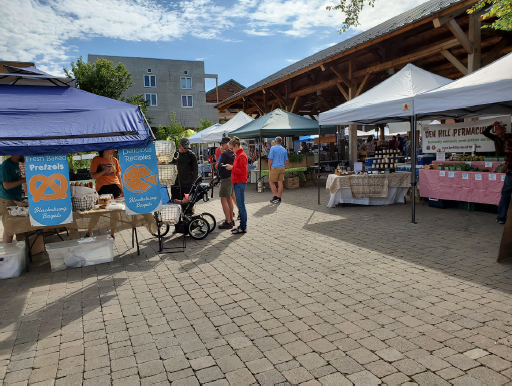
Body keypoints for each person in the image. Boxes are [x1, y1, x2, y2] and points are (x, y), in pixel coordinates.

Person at [87, 150, 123, 238]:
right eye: (111, 148)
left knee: (115, 213)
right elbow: (93, 176)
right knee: (98, 212)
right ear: (105, 149)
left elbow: (118, 176)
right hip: (103, 188)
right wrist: (105, 171)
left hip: (115, 187)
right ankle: (89, 232)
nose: (114, 150)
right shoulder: (97, 160)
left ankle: (112, 234)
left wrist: (122, 189)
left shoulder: (115, 160)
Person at [489, 121, 512, 224]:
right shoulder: (505, 139)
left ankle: (501, 218)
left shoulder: (509, 140)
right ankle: (502, 217)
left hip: (510, 171)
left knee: (506, 194)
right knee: (506, 194)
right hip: (510, 172)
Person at [225, 137, 248, 234]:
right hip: (238, 182)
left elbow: (243, 171)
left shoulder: (241, 155)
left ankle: (243, 227)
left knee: (241, 206)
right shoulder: (239, 155)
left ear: (236, 146)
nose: (231, 150)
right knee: (241, 205)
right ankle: (242, 226)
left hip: (240, 182)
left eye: (231, 148)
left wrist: (232, 168)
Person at [0, 155, 25, 243]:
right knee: (9, 228)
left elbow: (13, 179)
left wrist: (21, 178)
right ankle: (8, 254)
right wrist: (22, 181)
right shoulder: (6, 165)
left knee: (14, 226)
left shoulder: (16, 163)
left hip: (15, 198)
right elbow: (6, 185)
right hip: (7, 199)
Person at [217, 137, 236, 229]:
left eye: (223, 143)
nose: (221, 145)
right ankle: (231, 220)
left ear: (228, 143)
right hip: (232, 177)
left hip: (225, 178)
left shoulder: (225, 154)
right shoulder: (233, 153)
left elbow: (220, 166)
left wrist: (217, 177)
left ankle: (228, 221)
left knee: (224, 199)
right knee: (229, 199)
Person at [268, 136, 288, 204]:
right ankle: (279, 197)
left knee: (271, 182)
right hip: (282, 167)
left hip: (274, 167)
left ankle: (275, 196)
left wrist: (269, 167)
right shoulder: (284, 149)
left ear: (275, 142)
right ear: (281, 142)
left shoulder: (272, 148)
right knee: (280, 182)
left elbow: (270, 159)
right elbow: (286, 161)